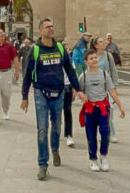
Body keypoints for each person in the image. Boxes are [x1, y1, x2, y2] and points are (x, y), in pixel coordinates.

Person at [21, 18, 84, 181]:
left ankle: (55, 149)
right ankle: (43, 165)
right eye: (47, 27)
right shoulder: (34, 50)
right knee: (42, 129)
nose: (51, 29)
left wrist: (77, 88)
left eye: (52, 26)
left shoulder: (60, 49)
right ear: (41, 31)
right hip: (41, 92)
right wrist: (24, 96)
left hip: (59, 92)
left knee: (56, 127)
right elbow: (27, 74)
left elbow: (69, 70)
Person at [78, 48, 126, 172]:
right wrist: (81, 95)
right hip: (90, 110)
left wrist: (121, 106)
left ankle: (103, 156)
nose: (94, 60)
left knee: (105, 134)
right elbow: (78, 91)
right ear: (86, 62)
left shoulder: (104, 74)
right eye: (91, 58)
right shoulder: (83, 76)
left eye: (95, 57)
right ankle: (93, 159)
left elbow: (112, 91)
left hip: (103, 109)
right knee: (91, 136)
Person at [91, 36, 121, 142]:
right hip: (96, 89)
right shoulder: (92, 57)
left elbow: (113, 71)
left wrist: (115, 86)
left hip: (107, 87)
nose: (104, 43)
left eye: (104, 41)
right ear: (95, 45)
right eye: (101, 42)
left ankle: (112, 133)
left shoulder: (108, 56)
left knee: (110, 112)